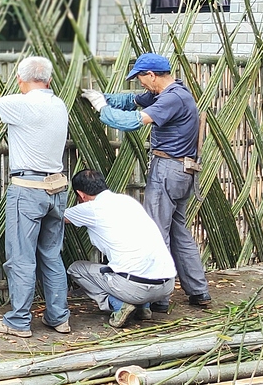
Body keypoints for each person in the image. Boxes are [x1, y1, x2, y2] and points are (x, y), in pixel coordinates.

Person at [80, 52, 211, 311]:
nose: (140, 83)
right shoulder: (172, 92)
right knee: (178, 232)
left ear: (152, 75)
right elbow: (130, 101)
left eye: (141, 78)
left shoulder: (172, 99)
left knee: (156, 232)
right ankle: (199, 291)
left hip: (168, 170)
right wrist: (102, 97)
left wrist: (101, 109)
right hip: (184, 171)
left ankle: (158, 301)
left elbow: (131, 122)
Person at [0, 56, 71, 338]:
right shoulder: (57, 104)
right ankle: (59, 318)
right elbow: (22, 113)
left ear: (20, 79)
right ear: (49, 80)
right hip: (57, 190)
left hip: (27, 191)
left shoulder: (22, 104)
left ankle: (18, 322)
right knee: (51, 256)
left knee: (21, 259)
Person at [64, 169, 177, 327]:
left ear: (81, 195)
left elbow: (59, 216)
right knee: (128, 262)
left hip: (136, 288)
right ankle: (143, 308)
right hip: (166, 285)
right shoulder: (127, 201)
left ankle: (119, 305)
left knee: (76, 269)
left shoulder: (91, 209)